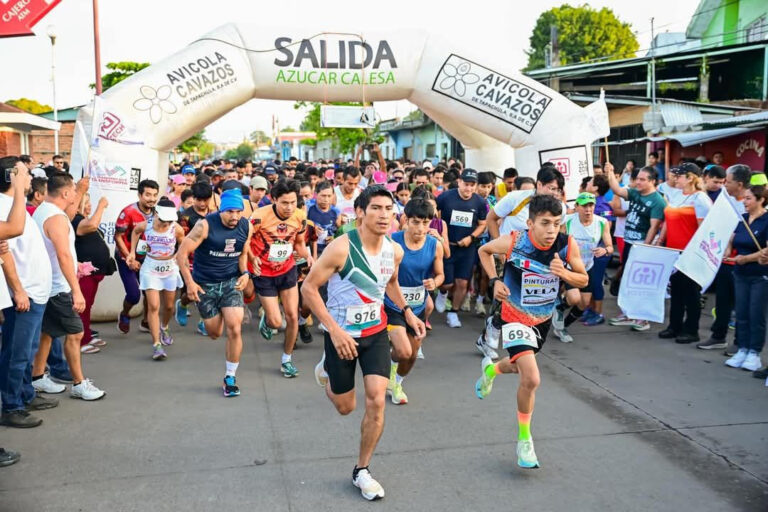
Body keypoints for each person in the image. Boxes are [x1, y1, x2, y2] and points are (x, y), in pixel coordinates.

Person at [301, 185, 426, 501]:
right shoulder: (340, 249)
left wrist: (408, 312)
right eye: (376, 208)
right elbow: (308, 289)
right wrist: (334, 331)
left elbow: (391, 283)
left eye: (389, 209)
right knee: (346, 407)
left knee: (376, 400)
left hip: (375, 333)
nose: (384, 215)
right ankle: (327, 370)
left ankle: (362, 470)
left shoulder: (394, 250)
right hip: (341, 336)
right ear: (360, 212)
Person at [474, 194, 588, 469]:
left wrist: (564, 274)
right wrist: (495, 280)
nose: (551, 230)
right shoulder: (515, 241)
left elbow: (583, 279)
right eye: (545, 223)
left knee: (518, 368)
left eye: (557, 224)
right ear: (530, 223)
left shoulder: (566, 244)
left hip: (542, 319)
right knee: (532, 378)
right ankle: (524, 440)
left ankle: (491, 370)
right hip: (514, 315)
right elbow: (484, 251)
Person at [31, 173, 106, 401]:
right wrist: (76, 290)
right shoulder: (55, 217)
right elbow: (63, 254)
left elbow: (69, 215)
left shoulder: (47, 210)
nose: (75, 193)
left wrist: (81, 189)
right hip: (58, 287)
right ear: (65, 193)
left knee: (48, 332)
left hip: (50, 284)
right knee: (76, 332)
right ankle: (79, 384)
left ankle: (37, 377)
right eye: (73, 190)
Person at [176, 188, 252, 396]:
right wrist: (190, 283)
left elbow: (242, 254)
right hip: (205, 284)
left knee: (234, 328)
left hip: (230, 282)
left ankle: (230, 377)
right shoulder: (205, 225)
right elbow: (181, 255)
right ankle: (183, 302)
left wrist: (245, 273)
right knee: (214, 333)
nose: (235, 216)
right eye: (230, 212)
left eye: (238, 211)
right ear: (220, 209)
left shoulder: (246, 226)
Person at [0, 157, 55, 428]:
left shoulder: (16, 204)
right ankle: (11, 406)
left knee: (27, 350)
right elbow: (5, 254)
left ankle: (24, 395)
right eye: (24, 173)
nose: (30, 177)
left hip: (35, 291)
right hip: (24, 294)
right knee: (16, 353)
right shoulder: (4, 205)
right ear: (10, 176)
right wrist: (18, 290)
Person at [248, 179, 311, 377]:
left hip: (287, 269)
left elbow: (299, 242)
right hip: (264, 272)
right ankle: (268, 318)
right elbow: (245, 241)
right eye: (284, 203)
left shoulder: (300, 216)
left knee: (292, 316)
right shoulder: (259, 216)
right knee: (276, 322)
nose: (289, 207)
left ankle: (287, 360)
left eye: (293, 202)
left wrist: (307, 256)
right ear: (273, 199)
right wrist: (252, 258)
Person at [384, 199, 444, 404]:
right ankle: (391, 371)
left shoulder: (435, 245)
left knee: (412, 354)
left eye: (425, 223)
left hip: (418, 306)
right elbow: (386, 277)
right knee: (403, 350)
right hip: (393, 305)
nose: (420, 228)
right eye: (416, 222)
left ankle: (397, 382)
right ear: (406, 220)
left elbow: (440, 274)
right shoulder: (392, 241)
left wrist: (435, 282)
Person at [655, 163, 712, 344]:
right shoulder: (676, 194)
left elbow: (704, 229)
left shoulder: (700, 199)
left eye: (679, 176)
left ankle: (691, 330)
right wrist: (661, 239)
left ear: (690, 178)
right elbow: (668, 220)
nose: (675, 178)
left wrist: (697, 252)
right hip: (673, 250)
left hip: (690, 253)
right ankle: (675, 325)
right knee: (676, 291)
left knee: (691, 293)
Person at [606, 163, 665, 331]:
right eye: (637, 178)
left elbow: (654, 227)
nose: (638, 182)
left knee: (640, 284)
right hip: (629, 242)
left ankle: (642, 318)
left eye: (642, 179)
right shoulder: (635, 193)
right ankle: (628, 313)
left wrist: (645, 248)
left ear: (652, 181)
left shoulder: (657, 201)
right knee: (627, 279)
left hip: (642, 246)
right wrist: (610, 172)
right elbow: (617, 190)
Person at [699, 165, 751, 351]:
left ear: (740, 184)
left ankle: (740, 343)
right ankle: (718, 336)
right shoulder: (725, 199)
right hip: (723, 258)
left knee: (741, 304)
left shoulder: (751, 203)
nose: (724, 185)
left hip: (744, 261)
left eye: (727, 182)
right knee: (722, 300)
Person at [126, 199, 185, 360]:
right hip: (150, 267)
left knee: (169, 307)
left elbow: (184, 246)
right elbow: (135, 232)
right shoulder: (146, 225)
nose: (167, 223)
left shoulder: (177, 228)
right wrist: (132, 252)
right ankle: (157, 345)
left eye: (170, 220)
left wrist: (178, 257)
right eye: (165, 219)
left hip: (169, 268)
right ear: (157, 213)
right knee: (153, 306)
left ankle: (164, 327)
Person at [553, 193, 612, 342]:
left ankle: (562, 327)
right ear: (577, 207)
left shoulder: (602, 222)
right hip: (569, 266)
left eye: (591, 205)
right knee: (574, 298)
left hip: (587, 267)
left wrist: (604, 250)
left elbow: (610, 247)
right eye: (584, 206)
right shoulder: (568, 221)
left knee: (584, 304)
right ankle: (559, 308)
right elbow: (556, 243)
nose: (588, 209)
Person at [434, 169, 487, 328]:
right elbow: (435, 214)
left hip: (467, 248)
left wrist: (471, 237)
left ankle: (453, 313)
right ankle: (443, 293)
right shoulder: (445, 197)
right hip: (447, 246)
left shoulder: (479, 202)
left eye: (472, 185)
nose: (468, 188)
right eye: (466, 184)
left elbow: (482, 224)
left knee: (463, 283)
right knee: (447, 283)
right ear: (459, 182)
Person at [723, 185, 768, 372]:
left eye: (749, 198)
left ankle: (754, 353)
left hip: (760, 275)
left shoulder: (766, 220)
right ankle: (742, 349)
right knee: (741, 313)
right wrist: (728, 251)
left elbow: (766, 250)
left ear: (761, 200)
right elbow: (732, 238)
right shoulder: (742, 219)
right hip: (740, 274)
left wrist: (747, 258)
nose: (745, 202)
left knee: (755, 314)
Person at [114, 180, 159, 334]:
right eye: (148, 195)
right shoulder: (128, 212)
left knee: (150, 292)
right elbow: (118, 236)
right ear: (140, 195)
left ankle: (146, 322)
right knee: (134, 295)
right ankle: (124, 314)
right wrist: (130, 258)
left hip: (147, 258)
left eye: (154, 195)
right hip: (125, 257)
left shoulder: (158, 213)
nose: (152, 199)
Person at [72, 192, 111, 354]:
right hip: (84, 272)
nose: (89, 206)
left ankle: (86, 334)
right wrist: (101, 206)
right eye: (86, 202)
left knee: (88, 305)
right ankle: (81, 341)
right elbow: (92, 225)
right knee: (83, 306)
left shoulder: (83, 219)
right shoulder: (75, 220)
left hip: (94, 271)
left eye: (90, 202)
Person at [176, 182, 213, 331]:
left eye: (206, 200)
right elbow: (182, 240)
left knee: (208, 290)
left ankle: (204, 322)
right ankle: (182, 303)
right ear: (194, 198)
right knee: (192, 293)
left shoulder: (214, 214)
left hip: (210, 258)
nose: (203, 203)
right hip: (191, 259)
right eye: (199, 200)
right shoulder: (185, 216)